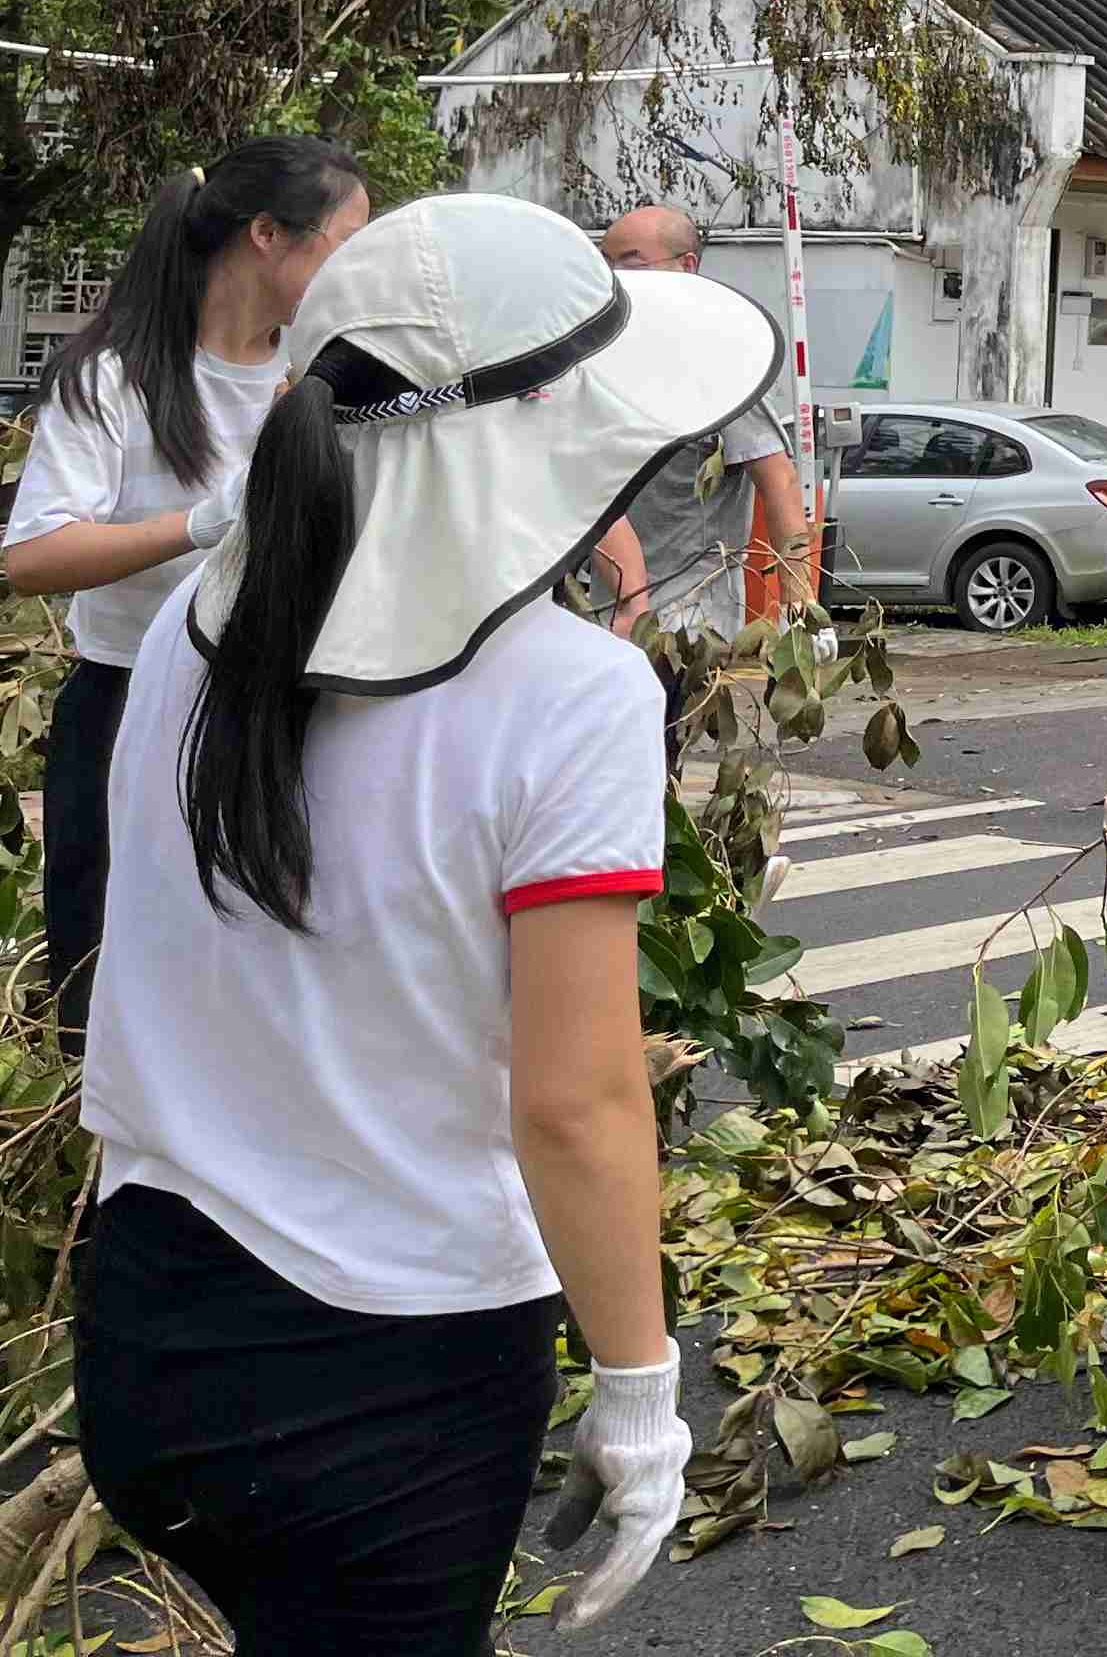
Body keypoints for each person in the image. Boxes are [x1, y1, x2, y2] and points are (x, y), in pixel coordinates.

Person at [76, 192, 781, 1649]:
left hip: (147, 1339)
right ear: (544, 437)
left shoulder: (190, 638)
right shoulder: (574, 698)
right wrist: (642, 1399)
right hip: (388, 1381)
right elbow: (577, 1104)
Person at [3, 137, 369, 1048]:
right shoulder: (116, 374)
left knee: (260, 982)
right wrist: (205, 523)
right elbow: (35, 555)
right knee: (104, 977)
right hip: (131, 702)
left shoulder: (333, 374)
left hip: (281, 705)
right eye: (344, 240)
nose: (358, 267)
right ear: (267, 237)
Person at [581, 204, 812, 637]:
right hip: (606, 615)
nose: (615, 278)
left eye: (632, 264)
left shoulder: (720, 368)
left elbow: (777, 480)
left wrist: (799, 611)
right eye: (606, 264)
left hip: (691, 619)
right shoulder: (600, 362)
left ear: (686, 267)